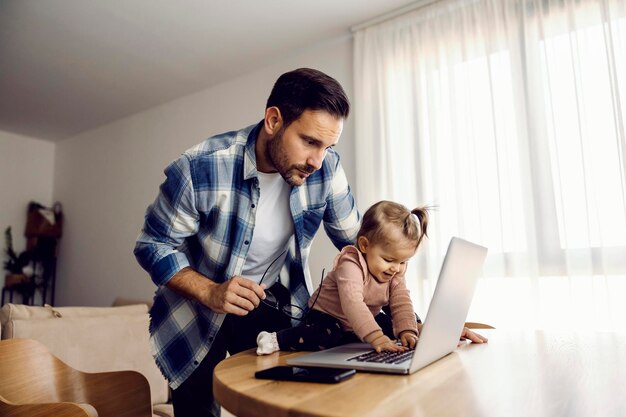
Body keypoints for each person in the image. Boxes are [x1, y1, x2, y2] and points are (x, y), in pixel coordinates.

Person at [134, 68, 361, 417]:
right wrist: (211, 292)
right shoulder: (200, 167)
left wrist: (410, 321)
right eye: (310, 141)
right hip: (195, 310)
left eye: (328, 146)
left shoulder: (326, 168)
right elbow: (153, 245)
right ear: (273, 120)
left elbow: (359, 248)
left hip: (268, 301)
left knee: (283, 406)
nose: (318, 160)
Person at [256, 200, 488, 356]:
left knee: (393, 328)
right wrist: (376, 337)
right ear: (365, 245)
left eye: (403, 261)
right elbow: (352, 304)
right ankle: (280, 339)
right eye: (389, 260)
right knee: (327, 335)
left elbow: (400, 302)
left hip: (364, 319)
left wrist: (407, 331)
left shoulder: (395, 270)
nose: (396, 268)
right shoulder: (351, 263)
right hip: (328, 319)